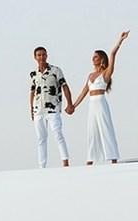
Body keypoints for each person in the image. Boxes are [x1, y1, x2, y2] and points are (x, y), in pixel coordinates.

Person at [70, 31, 129, 165]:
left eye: (96, 57)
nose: (93, 59)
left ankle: (113, 157)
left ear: (101, 59)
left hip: (101, 102)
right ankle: (90, 159)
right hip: (92, 104)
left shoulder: (106, 73)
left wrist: (120, 40)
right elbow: (83, 92)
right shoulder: (90, 75)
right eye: (93, 57)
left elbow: (112, 54)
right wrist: (73, 106)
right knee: (92, 130)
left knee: (106, 128)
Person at [29, 46, 74, 169]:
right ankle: (42, 166)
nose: (41, 57)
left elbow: (64, 86)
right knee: (41, 138)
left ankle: (65, 162)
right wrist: (31, 109)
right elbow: (32, 91)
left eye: (43, 54)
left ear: (47, 55)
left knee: (58, 134)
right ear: (35, 57)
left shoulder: (56, 70)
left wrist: (70, 103)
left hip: (53, 108)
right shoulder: (34, 74)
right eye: (39, 55)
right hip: (38, 110)